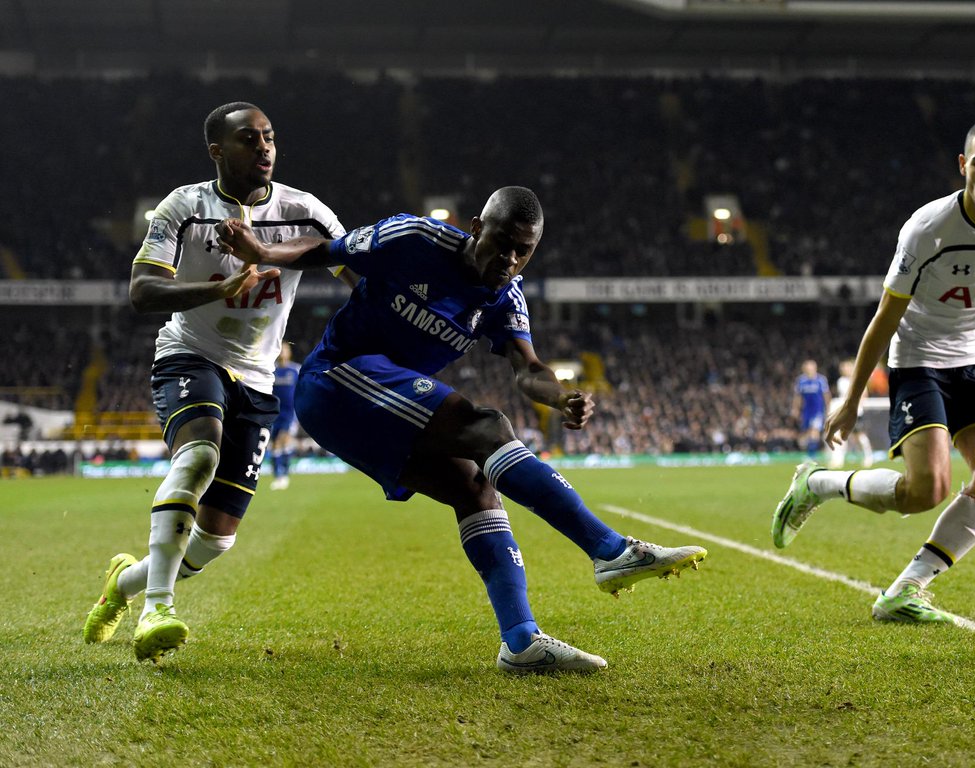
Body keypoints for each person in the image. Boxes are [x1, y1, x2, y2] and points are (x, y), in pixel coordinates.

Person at [217, 186, 707, 673]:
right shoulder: (414, 238)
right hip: (335, 380)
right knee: (487, 426)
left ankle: (520, 642)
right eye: (504, 242)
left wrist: (560, 396)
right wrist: (261, 251)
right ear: (477, 227)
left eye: (525, 250)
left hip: (376, 401)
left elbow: (528, 367)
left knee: (476, 489)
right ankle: (611, 550)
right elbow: (326, 250)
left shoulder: (505, 297)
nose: (511, 259)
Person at [82, 102, 354, 662]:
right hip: (191, 353)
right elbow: (142, 292)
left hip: (258, 379)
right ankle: (157, 607)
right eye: (249, 139)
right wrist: (216, 291)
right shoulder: (185, 206)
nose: (264, 148)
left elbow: (361, 276)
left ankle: (124, 585)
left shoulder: (307, 212)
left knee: (214, 542)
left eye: (270, 138)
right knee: (198, 456)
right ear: (217, 151)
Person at [771, 118, 975, 623]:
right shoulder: (927, 229)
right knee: (926, 490)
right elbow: (885, 316)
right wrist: (852, 401)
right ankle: (818, 485)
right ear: (963, 165)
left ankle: (904, 590)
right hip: (919, 360)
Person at [827, 359, 874, 469]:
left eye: (847, 367)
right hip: (845, 413)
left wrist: (856, 407)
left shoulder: (858, 379)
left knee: (859, 436)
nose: (845, 370)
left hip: (856, 412)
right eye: (843, 368)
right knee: (841, 435)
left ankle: (868, 456)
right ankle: (839, 459)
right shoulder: (841, 381)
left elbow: (864, 395)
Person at [269, 342, 301, 489]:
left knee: (281, 441)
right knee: (276, 445)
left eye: (285, 350)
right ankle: (281, 475)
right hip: (274, 413)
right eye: (280, 349)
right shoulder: (271, 369)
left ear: (289, 353)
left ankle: (282, 476)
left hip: (290, 414)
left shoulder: (295, 370)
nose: (282, 352)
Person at [791, 359, 831, 459]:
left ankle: (812, 455)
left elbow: (826, 395)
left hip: (818, 411)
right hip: (806, 411)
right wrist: (795, 409)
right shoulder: (801, 380)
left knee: (814, 431)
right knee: (807, 433)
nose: (810, 369)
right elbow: (798, 396)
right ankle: (809, 449)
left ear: (815, 368)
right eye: (808, 367)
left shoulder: (821, 380)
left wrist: (828, 408)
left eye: (812, 367)